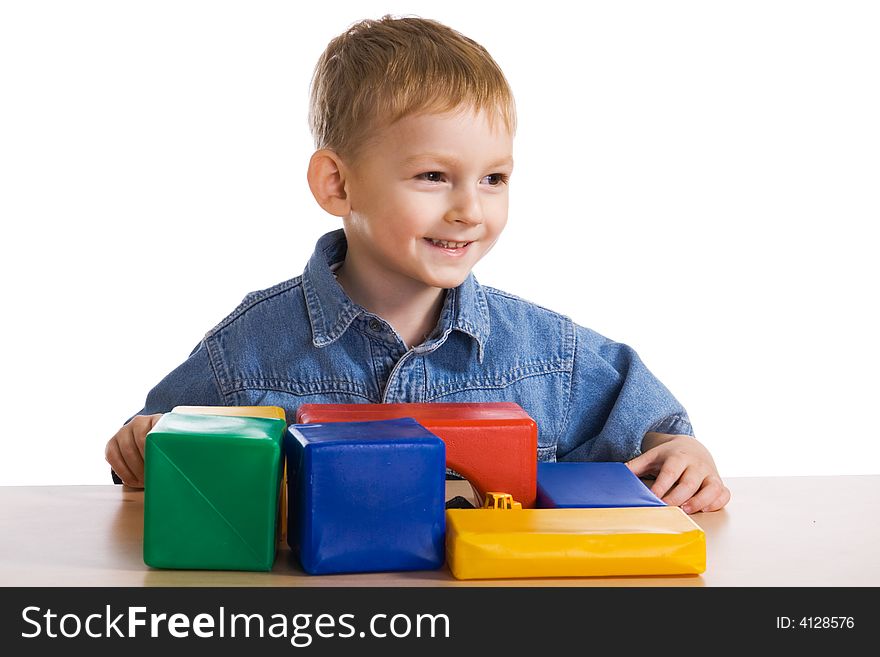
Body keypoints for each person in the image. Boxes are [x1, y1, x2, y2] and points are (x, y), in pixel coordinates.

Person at [105, 15, 730, 514]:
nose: (469, 209)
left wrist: (683, 452)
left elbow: (656, 428)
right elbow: (152, 448)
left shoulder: (549, 354)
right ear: (337, 184)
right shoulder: (251, 347)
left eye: (493, 178)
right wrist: (142, 442)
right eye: (433, 176)